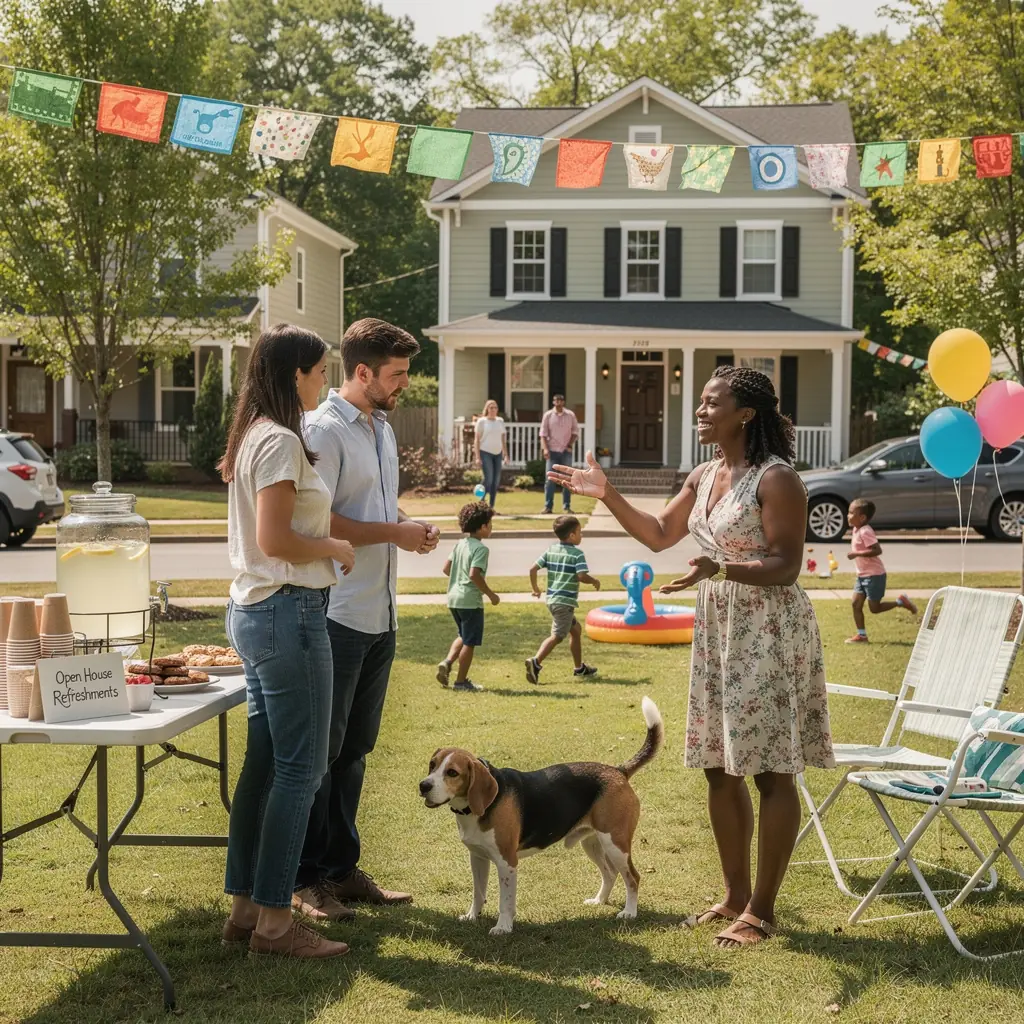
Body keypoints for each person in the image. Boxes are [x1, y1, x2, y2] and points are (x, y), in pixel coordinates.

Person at [549, 364, 834, 949]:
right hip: (720, 628)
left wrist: (722, 568)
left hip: (769, 628)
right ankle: (733, 895)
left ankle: (761, 909)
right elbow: (658, 534)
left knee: (772, 771)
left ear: (746, 413)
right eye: (700, 402)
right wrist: (606, 493)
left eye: (711, 403)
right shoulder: (705, 475)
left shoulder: (777, 479)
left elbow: (785, 563)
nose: (701, 411)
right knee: (717, 765)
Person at [294, 318, 439, 920]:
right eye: (397, 375)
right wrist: (395, 532)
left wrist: (406, 523)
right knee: (322, 755)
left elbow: (373, 509)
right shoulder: (323, 432)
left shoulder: (378, 428)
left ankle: (342, 869)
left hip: (379, 611)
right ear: (361, 373)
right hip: (339, 611)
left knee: (355, 750)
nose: (405, 384)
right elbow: (320, 522)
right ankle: (305, 881)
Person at [219, 323, 356, 959]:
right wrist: (333, 546)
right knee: (302, 768)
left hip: (256, 612)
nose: (325, 380)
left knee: (266, 767)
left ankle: (245, 911)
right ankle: (276, 923)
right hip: (288, 612)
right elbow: (276, 541)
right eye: (320, 370)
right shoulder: (276, 442)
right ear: (293, 374)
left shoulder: (256, 436)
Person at [526, 514, 600, 683]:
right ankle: (535, 662)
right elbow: (581, 576)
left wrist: (535, 589)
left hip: (552, 600)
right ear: (572, 535)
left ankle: (579, 668)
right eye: (580, 532)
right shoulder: (577, 554)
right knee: (558, 636)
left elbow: (532, 569)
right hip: (564, 602)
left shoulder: (551, 550)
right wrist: (594, 581)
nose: (581, 535)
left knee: (576, 630)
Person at [437, 501, 500, 692]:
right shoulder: (481, 549)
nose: (491, 528)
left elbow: (446, 568)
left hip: (454, 598)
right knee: (470, 642)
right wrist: (491, 595)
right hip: (470, 601)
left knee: (463, 636)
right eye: (489, 524)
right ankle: (461, 682)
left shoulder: (460, 544)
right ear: (482, 527)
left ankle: (447, 662)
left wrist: (459, 577)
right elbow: (474, 574)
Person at [845, 498, 917, 643]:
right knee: (855, 604)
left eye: (851, 513)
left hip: (874, 576)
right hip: (862, 575)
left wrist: (856, 554)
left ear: (862, 517)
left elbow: (877, 550)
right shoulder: (856, 529)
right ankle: (862, 635)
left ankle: (900, 602)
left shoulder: (865, 531)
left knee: (875, 608)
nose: (848, 515)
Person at [540, 394, 578, 514]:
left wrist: (569, 445)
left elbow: (575, 432)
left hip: (566, 451)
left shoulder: (570, 415)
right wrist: (545, 449)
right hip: (552, 451)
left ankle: (567, 506)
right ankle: (548, 507)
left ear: (564, 402)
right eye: (556, 400)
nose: (559, 402)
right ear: (553, 402)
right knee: (550, 479)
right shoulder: (548, 415)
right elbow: (543, 434)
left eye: (561, 400)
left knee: (567, 480)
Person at [474, 399, 508, 508]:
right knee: (488, 479)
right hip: (485, 453)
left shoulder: (500, 421)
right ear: (487, 409)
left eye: (495, 407)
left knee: (495, 481)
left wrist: (505, 454)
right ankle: (481, 501)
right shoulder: (482, 422)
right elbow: (477, 440)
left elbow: (503, 439)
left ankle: (491, 507)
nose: (493, 410)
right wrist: (477, 457)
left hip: (497, 454)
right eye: (491, 407)